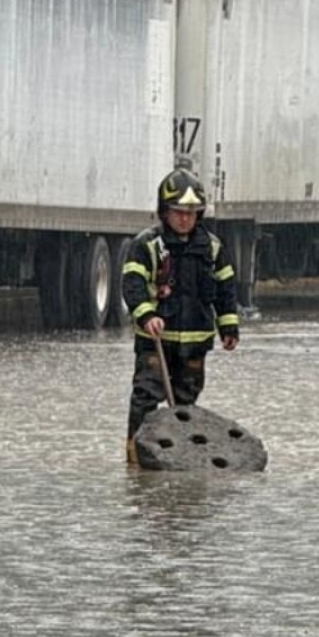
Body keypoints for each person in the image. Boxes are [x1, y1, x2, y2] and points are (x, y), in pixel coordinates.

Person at [121, 168, 240, 464]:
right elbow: (132, 284)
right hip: (156, 342)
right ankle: (136, 457)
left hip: (195, 343)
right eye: (178, 212)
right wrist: (146, 315)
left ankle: (182, 459)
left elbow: (226, 287)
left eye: (191, 212)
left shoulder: (212, 247)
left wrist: (229, 326)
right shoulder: (147, 245)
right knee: (146, 397)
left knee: (186, 404)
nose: (185, 219)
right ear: (165, 212)